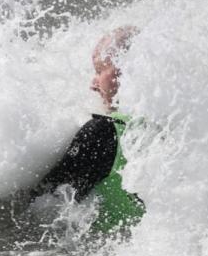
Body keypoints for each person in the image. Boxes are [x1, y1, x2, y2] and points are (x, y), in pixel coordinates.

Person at [31, 27, 145, 232]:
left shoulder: (104, 131)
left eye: (100, 71)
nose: (93, 84)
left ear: (124, 70)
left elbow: (45, 203)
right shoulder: (181, 123)